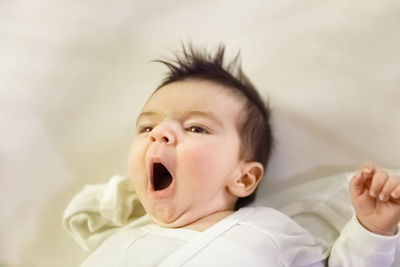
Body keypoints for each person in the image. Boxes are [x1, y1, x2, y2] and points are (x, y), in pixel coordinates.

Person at [75, 44, 400, 266]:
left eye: (196, 128)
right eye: (146, 128)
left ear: (243, 177)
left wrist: (371, 231)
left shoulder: (270, 233)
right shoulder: (114, 244)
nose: (160, 132)